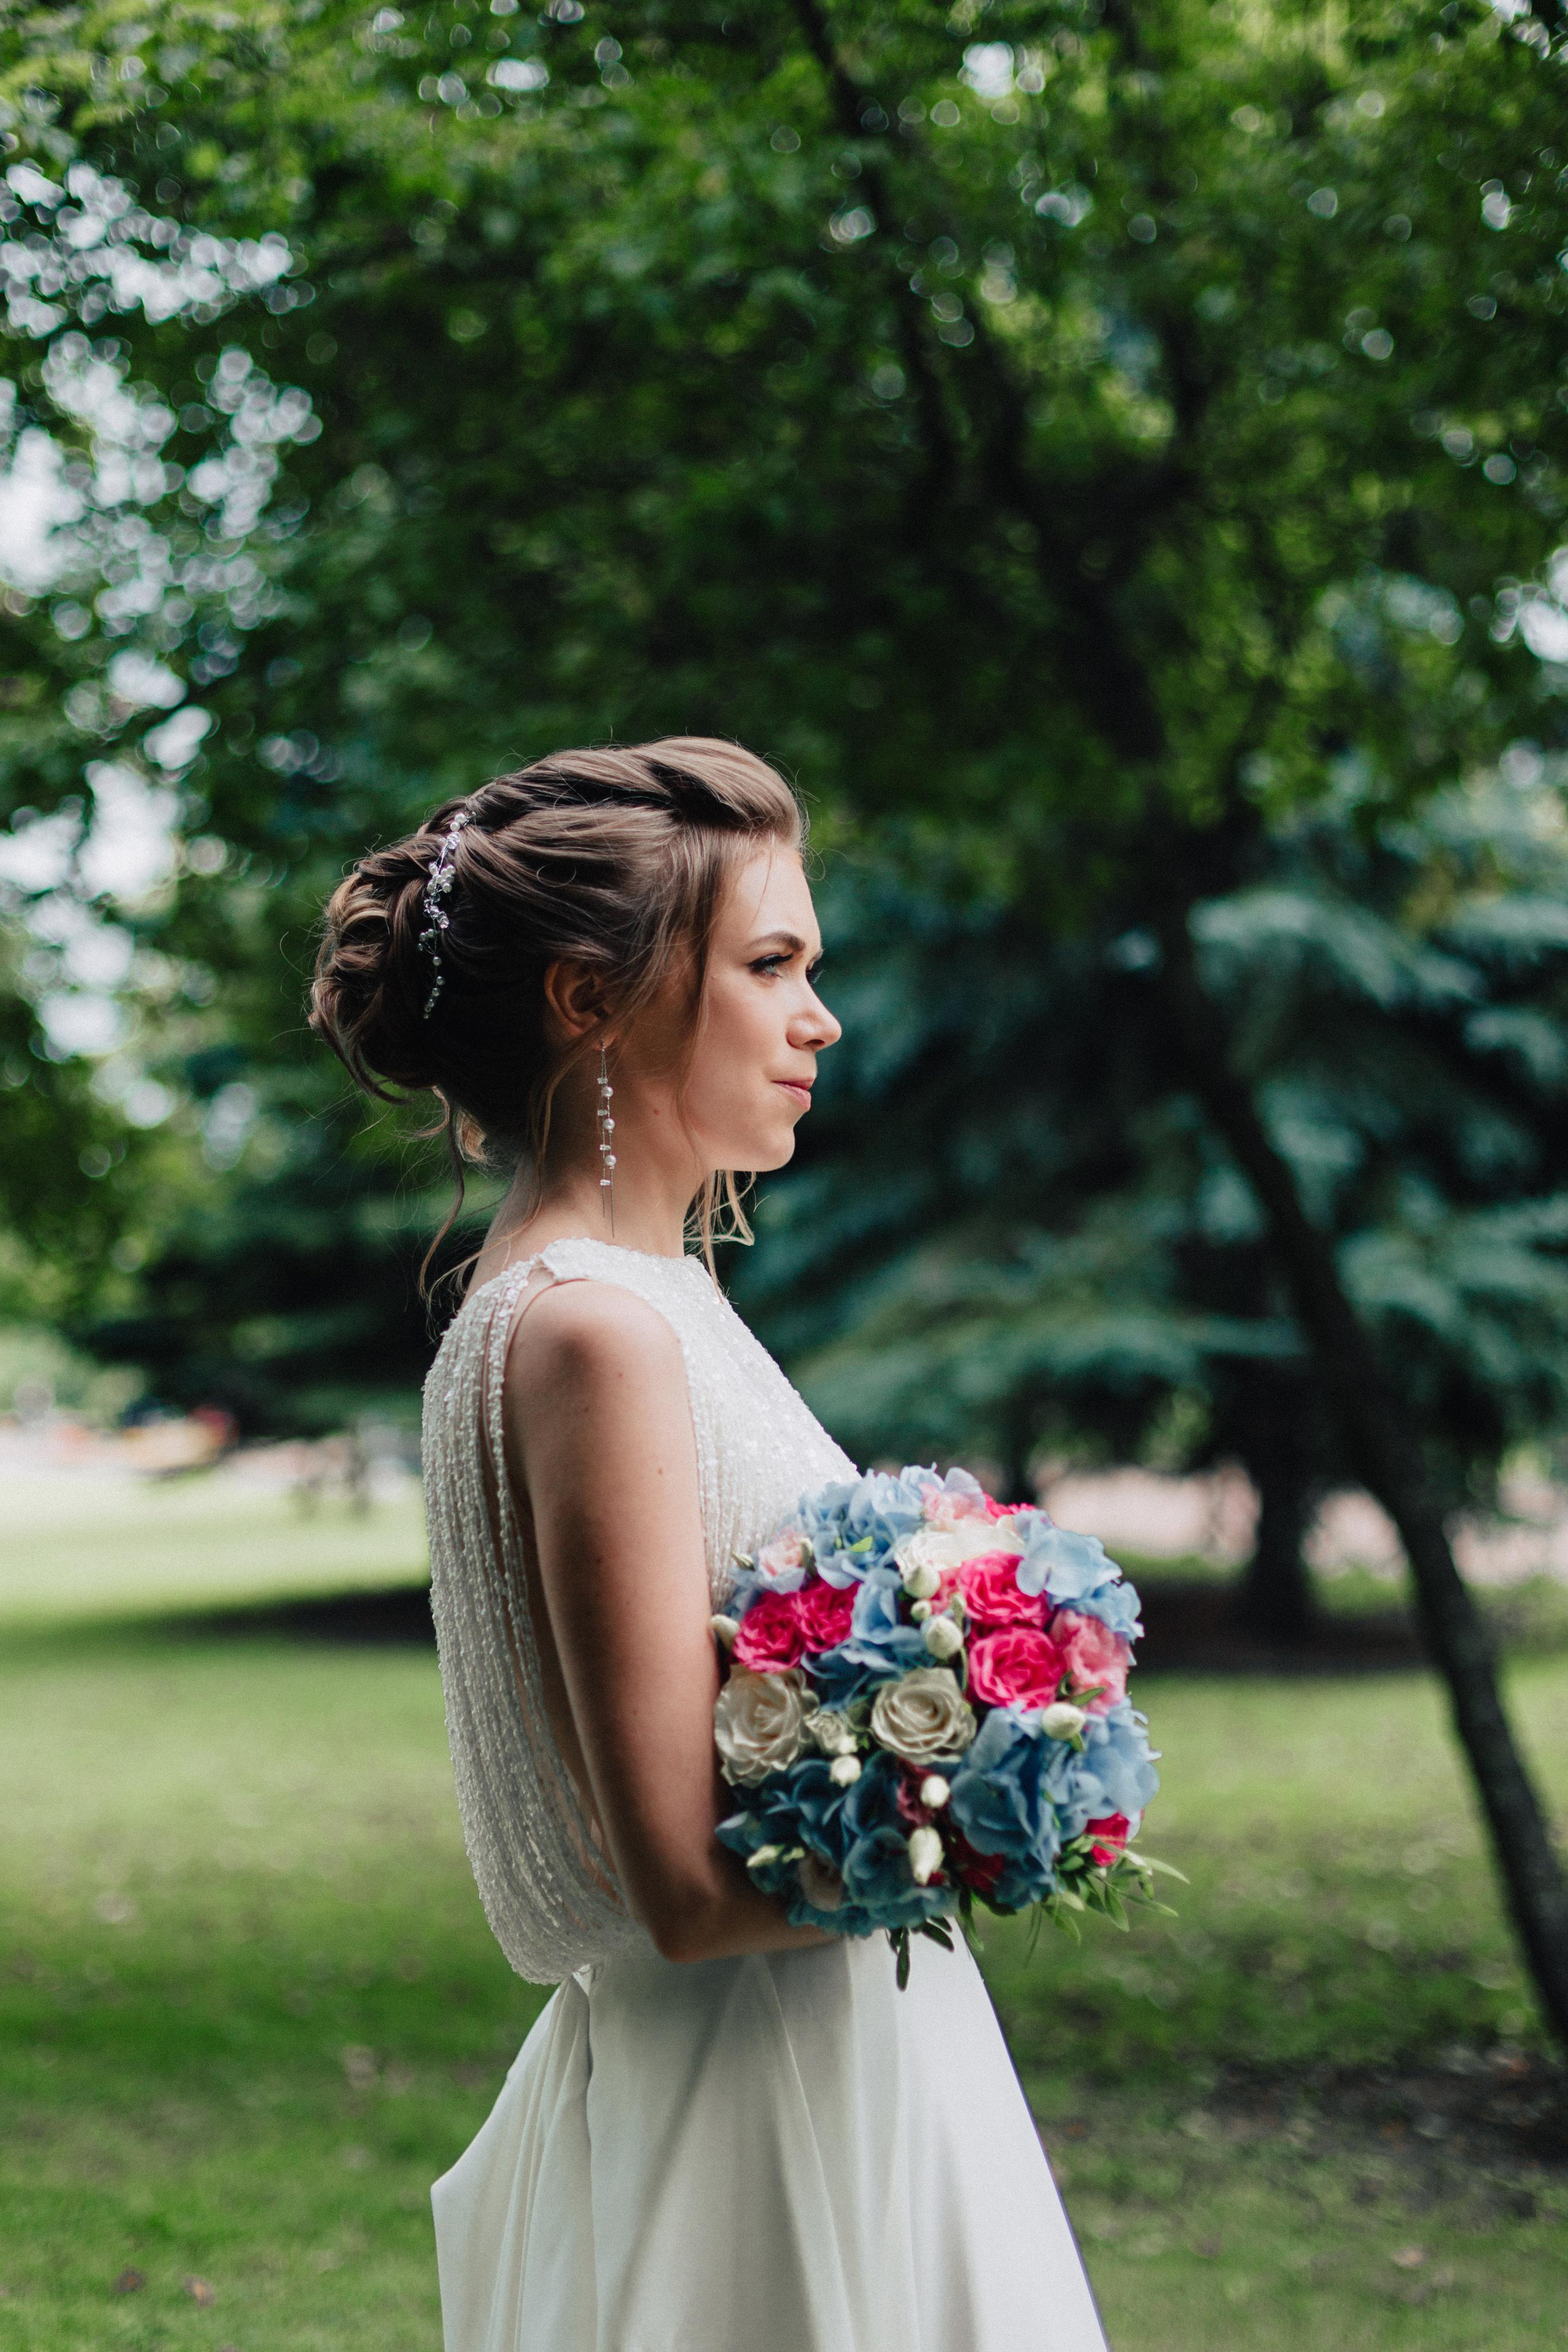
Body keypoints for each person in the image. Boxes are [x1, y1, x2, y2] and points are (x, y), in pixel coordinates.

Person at [310, 739, 1107, 2352]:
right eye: (770, 964)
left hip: (831, 2039)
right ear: (587, 1002)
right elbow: (677, 1885)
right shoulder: (591, 1330)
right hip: (769, 2092)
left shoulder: (634, 1294)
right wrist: (990, 1819)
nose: (821, 1017)